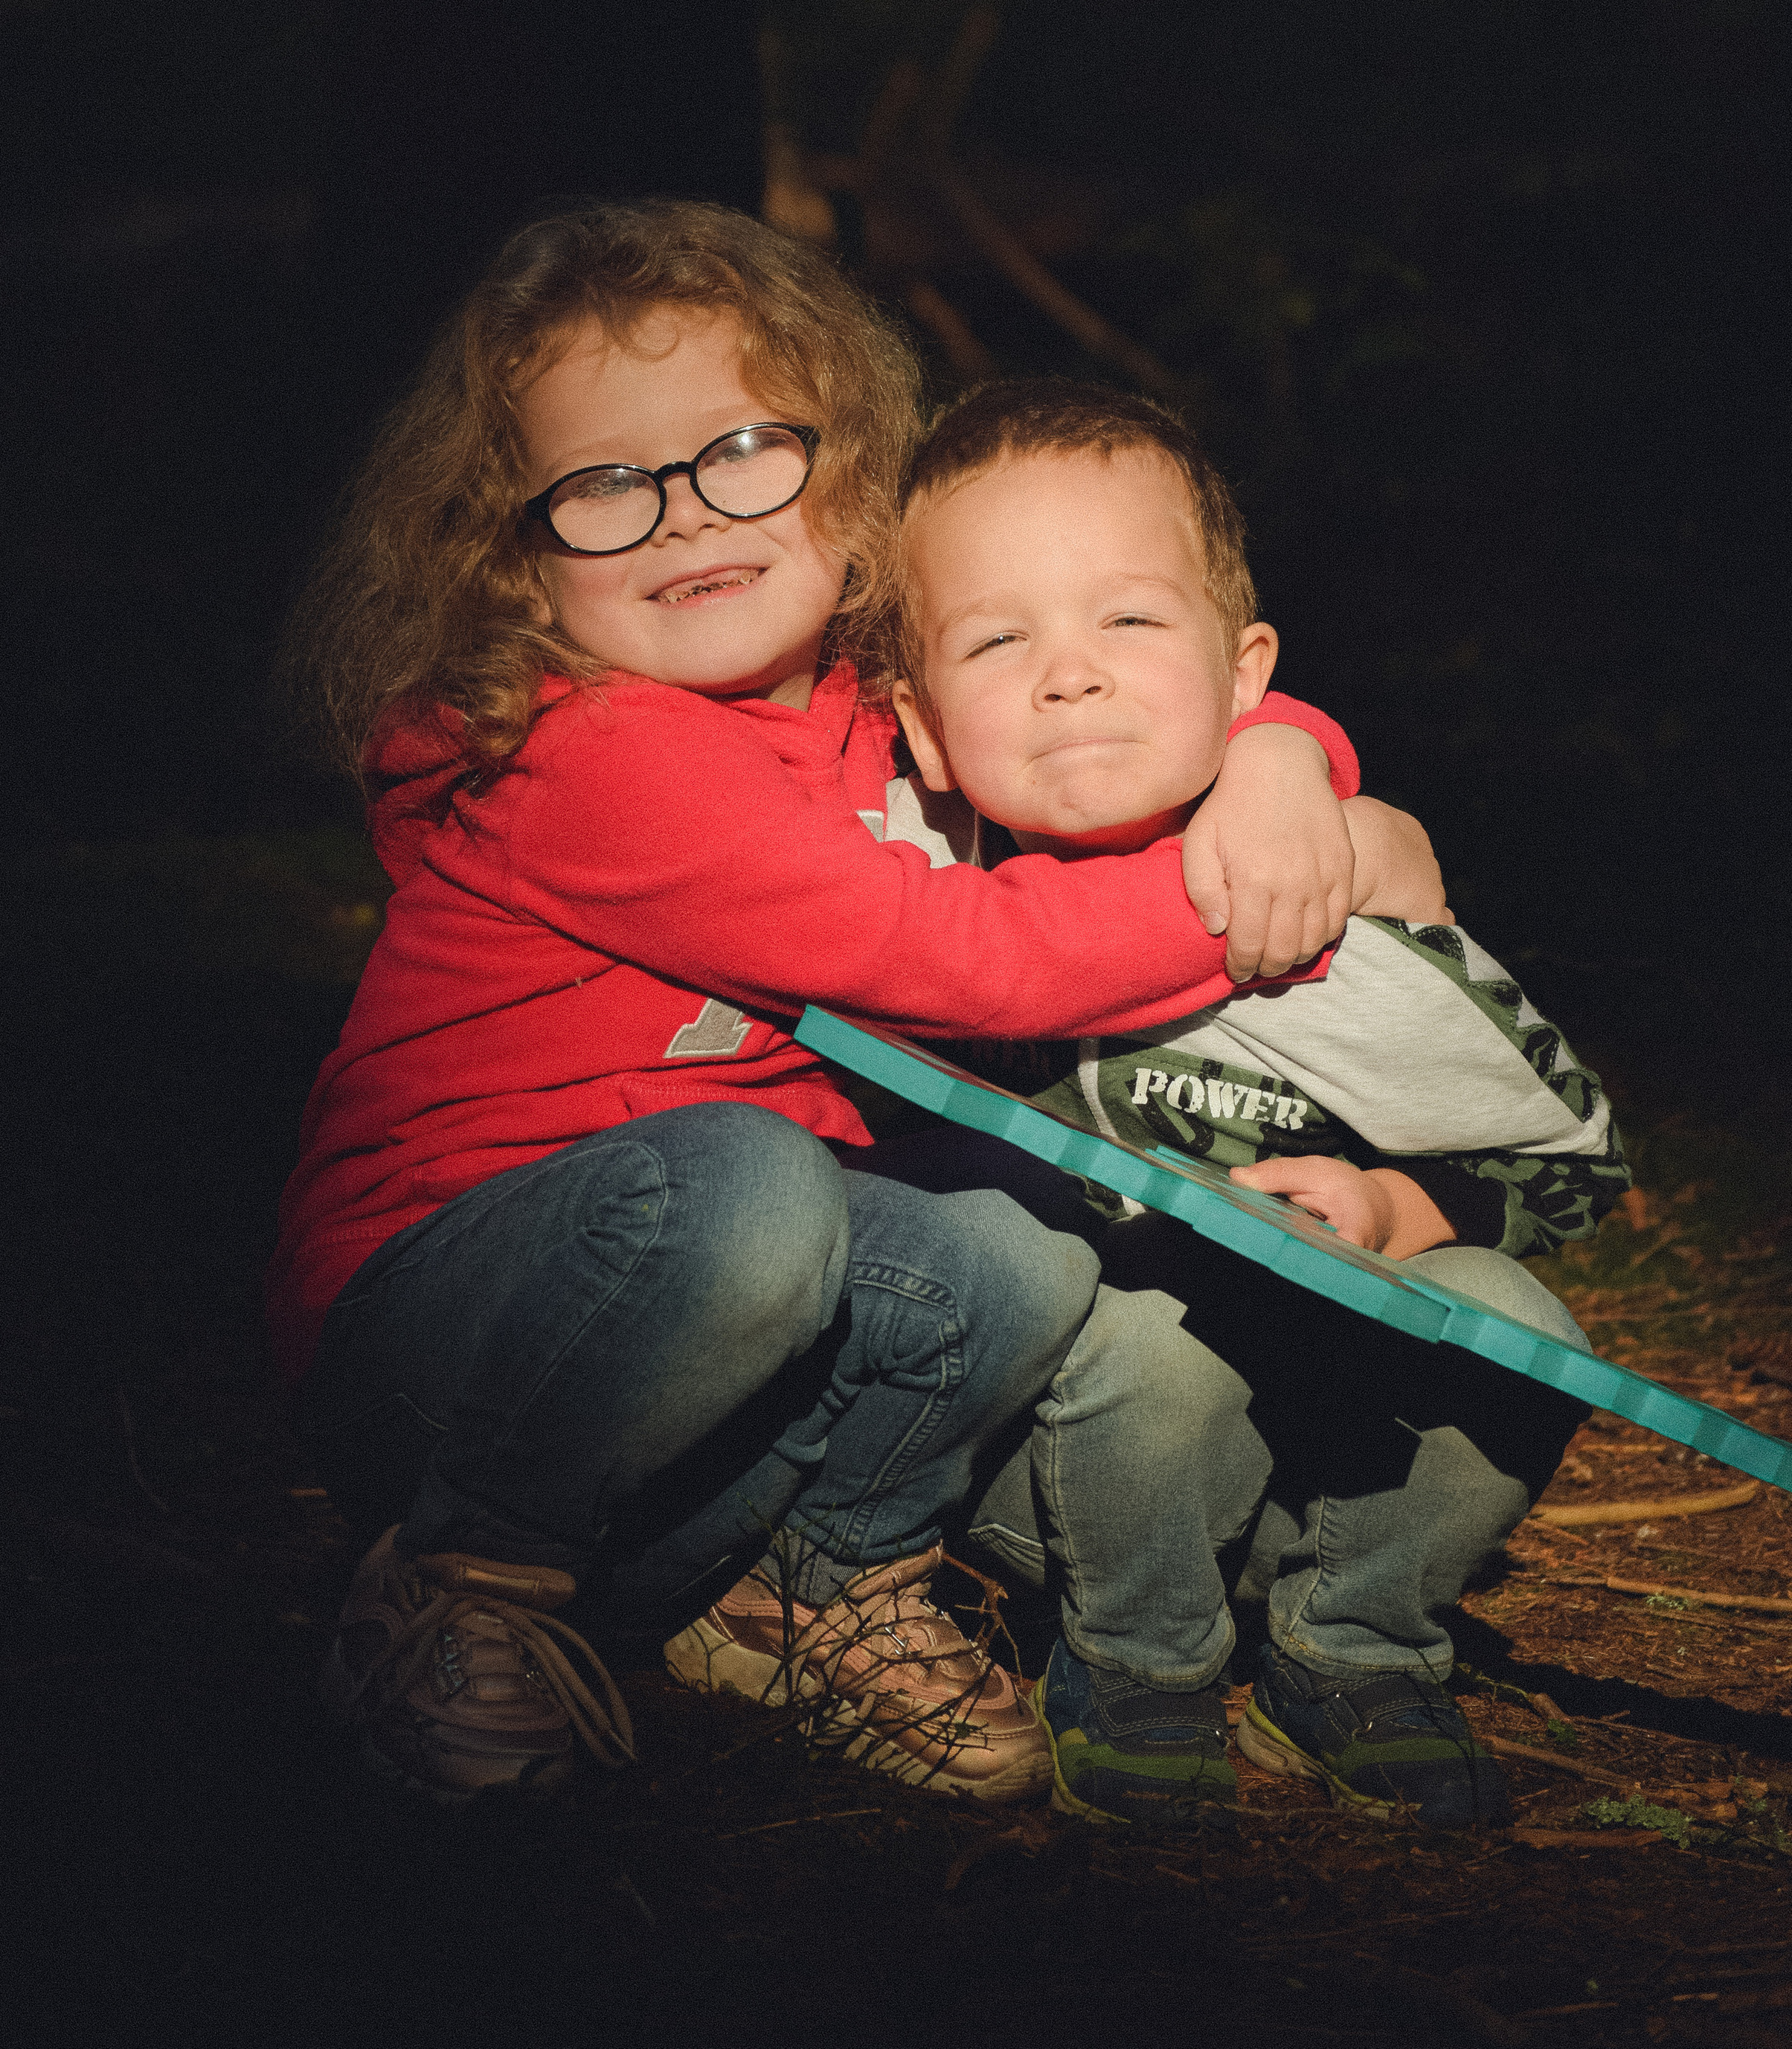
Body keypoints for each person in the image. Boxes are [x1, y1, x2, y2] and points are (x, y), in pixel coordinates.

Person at [269, 200, 1411, 1808]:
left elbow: (1099, 692)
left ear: (853, 471)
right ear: (507, 553)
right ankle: (460, 1578)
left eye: (739, 448)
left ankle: (812, 1576)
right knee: (742, 1185)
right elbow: (969, 959)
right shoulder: (587, 754)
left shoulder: (864, 706)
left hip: (743, 1295)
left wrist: (1287, 752)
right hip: (454, 1330)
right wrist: (1252, 890)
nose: (679, 517)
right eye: (599, 487)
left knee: (1008, 1236)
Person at [884, 376, 1628, 1830]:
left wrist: (1389, 1202)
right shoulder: (929, 902)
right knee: (1161, 1329)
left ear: (1243, 673)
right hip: (1063, 1483)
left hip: (1314, 1455)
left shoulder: (1320, 878)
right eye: (996, 637)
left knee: (1523, 1329)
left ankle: (1349, 1648)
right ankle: (1134, 1670)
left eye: (1127, 619)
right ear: (919, 725)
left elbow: (1548, 1168)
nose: (1068, 673)